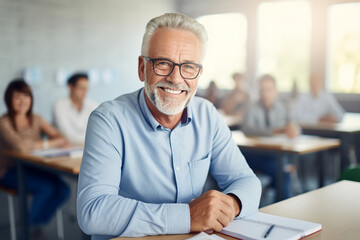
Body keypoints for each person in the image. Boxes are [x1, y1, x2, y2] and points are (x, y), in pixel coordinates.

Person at [77, 13, 261, 239]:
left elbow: (246, 181)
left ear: (198, 74)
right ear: (142, 68)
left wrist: (231, 204)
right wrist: (187, 216)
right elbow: (93, 211)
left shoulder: (207, 115)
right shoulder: (108, 120)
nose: (176, 78)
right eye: (163, 63)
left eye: (189, 67)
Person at [0, 79, 70, 235]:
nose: (22, 101)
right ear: (9, 100)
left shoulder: (36, 119)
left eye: (26, 96)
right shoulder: (4, 122)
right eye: (17, 97)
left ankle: (38, 224)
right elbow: (20, 147)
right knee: (46, 188)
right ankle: (30, 231)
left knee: (63, 189)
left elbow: (62, 138)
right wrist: (47, 143)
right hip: (9, 171)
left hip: (33, 167)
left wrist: (41, 144)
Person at [242, 74, 300, 199]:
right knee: (281, 170)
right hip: (254, 154)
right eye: (262, 90)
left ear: (275, 91)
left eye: (268, 90)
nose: (265, 94)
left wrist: (294, 130)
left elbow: (294, 124)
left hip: (275, 154)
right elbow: (247, 129)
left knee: (281, 167)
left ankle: (276, 199)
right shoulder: (251, 107)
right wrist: (274, 131)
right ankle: (282, 205)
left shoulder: (282, 107)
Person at [53, 73, 97, 144]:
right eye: (81, 88)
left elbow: (97, 131)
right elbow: (68, 135)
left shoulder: (92, 105)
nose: (84, 92)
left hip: (87, 147)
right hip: (67, 150)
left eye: (86, 89)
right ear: (70, 87)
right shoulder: (59, 105)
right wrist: (91, 138)